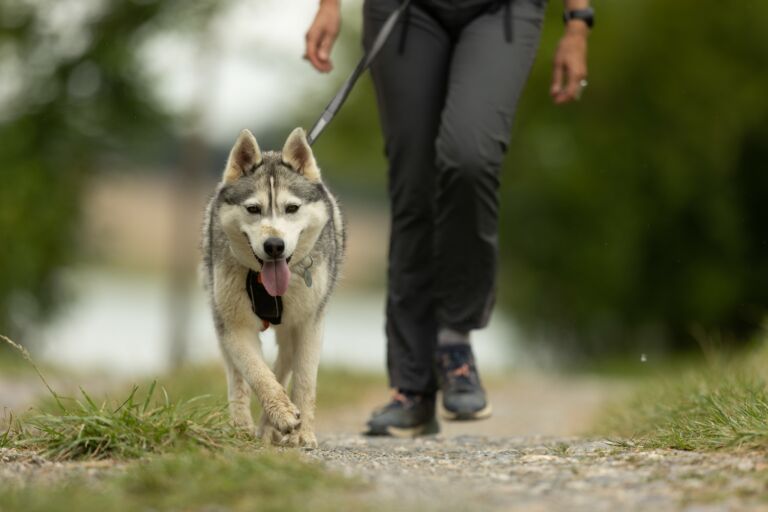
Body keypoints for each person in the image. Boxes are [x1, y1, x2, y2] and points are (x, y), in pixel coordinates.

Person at [304, 0, 591, 436]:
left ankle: (454, 339)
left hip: (501, 12)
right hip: (404, 11)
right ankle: (411, 390)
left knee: (470, 158)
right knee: (412, 184)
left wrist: (578, 22)